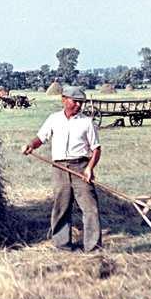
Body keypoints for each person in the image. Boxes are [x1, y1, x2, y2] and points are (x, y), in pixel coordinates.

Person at [22, 86, 102, 252]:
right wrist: (31, 145)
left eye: (81, 102)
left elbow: (96, 149)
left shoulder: (87, 122)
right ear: (64, 100)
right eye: (75, 101)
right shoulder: (54, 119)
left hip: (80, 167)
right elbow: (40, 137)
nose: (79, 105)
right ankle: (62, 245)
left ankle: (93, 248)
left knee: (90, 208)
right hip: (59, 168)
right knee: (61, 206)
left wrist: (89, 168)